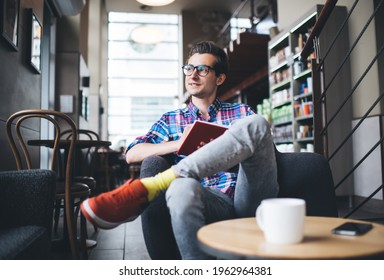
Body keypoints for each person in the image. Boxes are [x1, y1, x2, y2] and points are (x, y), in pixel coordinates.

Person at [81, 41, 279, 259]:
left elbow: (264, 152)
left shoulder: (241, 111)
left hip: (247, 196)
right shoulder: (171, 119)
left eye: (203, 69)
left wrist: (230, 151)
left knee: (257, 124)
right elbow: (132, 153)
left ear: (220, 78)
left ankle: (156, 185)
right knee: (180, 189)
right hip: (208, 200)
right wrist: (180, 144)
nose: (193, 75)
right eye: (189, 68)